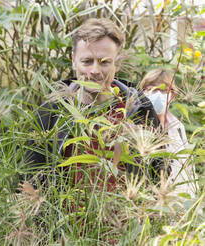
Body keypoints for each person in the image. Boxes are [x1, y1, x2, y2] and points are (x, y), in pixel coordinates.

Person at [27, 18, 162, 187]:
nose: (95, 71)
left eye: (104, 62)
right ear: (73, 61)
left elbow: (160, 171)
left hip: (125, 212)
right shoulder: (51, 113)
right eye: (87, 61)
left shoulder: (139, 109)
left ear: (117, 63)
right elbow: (31, 179)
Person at [140, 68, 198, 196]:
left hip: (180, 199)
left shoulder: (177, 126)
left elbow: (187, 165)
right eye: (153, 89)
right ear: (143, 91)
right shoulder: (137, 124)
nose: (159, 94)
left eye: (165, 90)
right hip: (151, 200)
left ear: (172, 95)